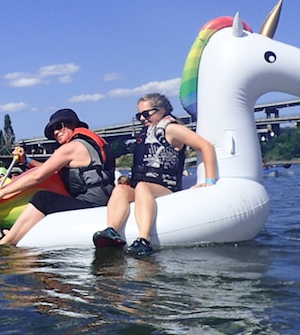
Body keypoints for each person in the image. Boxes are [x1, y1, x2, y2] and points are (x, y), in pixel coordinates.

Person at [92, 93, 218, 257]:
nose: (142, 119)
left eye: (146, 114)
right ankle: (112, 231)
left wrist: (209, 180)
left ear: (162, 110)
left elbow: (206, 146)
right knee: (121, 190)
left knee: (143, 187)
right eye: (139, 116)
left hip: (166, 188)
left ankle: (144, 238)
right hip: (143, 188)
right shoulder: (147, 133)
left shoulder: (172, 129)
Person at [0, 108, 115, 246]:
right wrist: (26, 161)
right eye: (53, 131)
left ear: (73, 124)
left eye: (59, 127)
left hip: (93, 204)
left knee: (42, 198)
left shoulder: (71, 148)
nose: (55, 132)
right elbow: (48, 170)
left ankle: (6, 243)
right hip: (105, 201)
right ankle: (15, 232)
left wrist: (2, 192)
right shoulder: (87, 145)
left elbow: (37, 176)